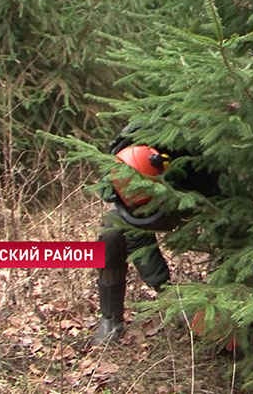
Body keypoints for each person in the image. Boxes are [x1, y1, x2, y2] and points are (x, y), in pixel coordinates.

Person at [91, 128, 220, 346]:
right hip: (148, 205)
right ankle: (110, 319)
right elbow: (137, 238)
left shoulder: (197, 158)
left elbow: (232, 223)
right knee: (111, 234)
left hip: (195, 196)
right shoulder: (115, 170)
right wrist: (167, 291)